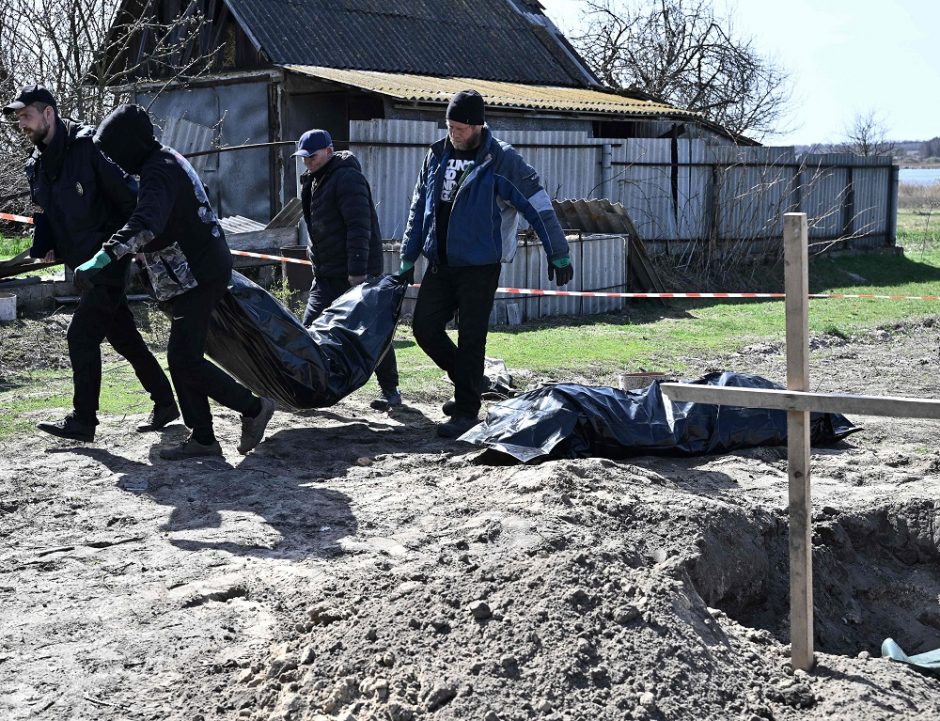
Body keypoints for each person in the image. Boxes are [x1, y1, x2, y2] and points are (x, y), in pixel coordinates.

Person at [74, 103, 276, 460]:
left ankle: (253, 408)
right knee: (183, 357)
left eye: (113, 151)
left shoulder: (159, 170)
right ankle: (203, 438)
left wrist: (103, 256)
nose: (114, 161)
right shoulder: (161, 163)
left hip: (200, 275)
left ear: (129, 143)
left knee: (184, 359)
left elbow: (147, 220)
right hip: (192, 275)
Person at [3, 84, 178, 443]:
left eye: (26, 116)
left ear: (48, 113)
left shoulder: (89, 148)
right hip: (81, 264)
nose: (22, 124)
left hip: (108, 259)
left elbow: (128, 199)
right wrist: (47, 244)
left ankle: (84, 420)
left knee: (80, 335)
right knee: (124, 336)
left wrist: (125, 249)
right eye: (19, 118)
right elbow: (49, 212)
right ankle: (165, 401)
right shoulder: (36, 164)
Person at [400, 89, 574, 439]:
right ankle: (472, 382)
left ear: (477, 125)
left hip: (480, 265)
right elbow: (419, 207)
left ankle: (466, 410)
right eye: (449, 126)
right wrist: (408, 254)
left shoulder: (501, 159)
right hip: (440, 262)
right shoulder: (436, 156)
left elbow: (536, 204)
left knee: (471, 337)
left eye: (460, 127)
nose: (454, 133)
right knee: (424, 328)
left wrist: (557, 249)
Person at [294, 128, 402, 411]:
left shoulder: (347, 178)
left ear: (329, 152)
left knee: (373, 334)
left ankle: (390, 389)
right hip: (327, 271)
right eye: (304, 158)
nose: (308, 162)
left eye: (312, 157)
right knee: (309, 329)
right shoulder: (313, 180)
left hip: (356, 272)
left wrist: (357, 272)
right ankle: (303, 389)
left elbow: (359, 226)